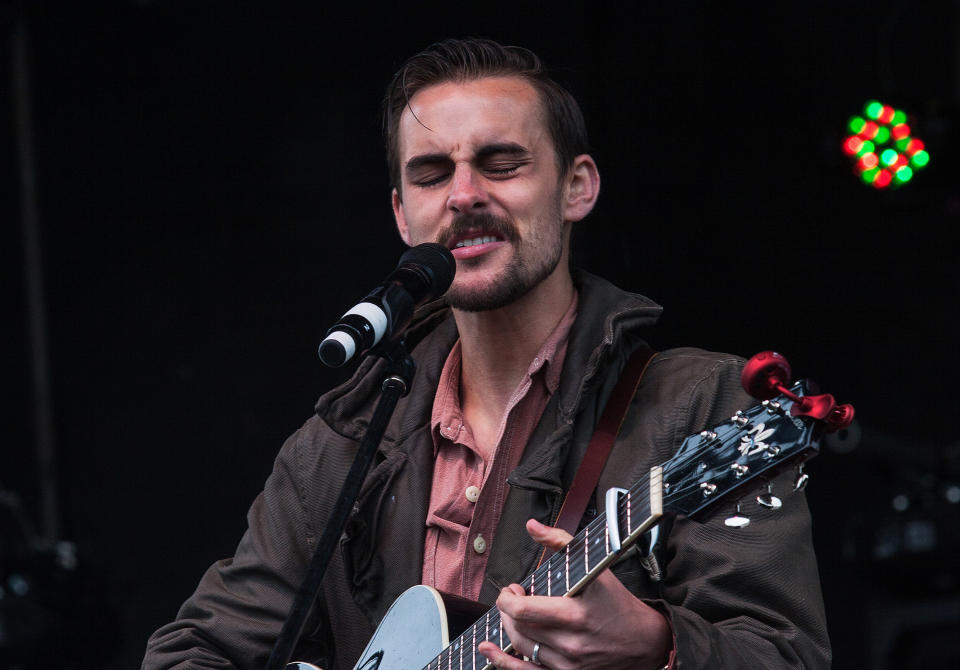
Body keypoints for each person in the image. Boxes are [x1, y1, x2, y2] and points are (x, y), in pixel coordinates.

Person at [142, 38, 830, 670]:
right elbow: (196, 651)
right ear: (402, 215)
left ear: (577, 187)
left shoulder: (701, 405)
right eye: (433, 173)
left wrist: (657, 648)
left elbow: (784, 655)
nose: (465, 195)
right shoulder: (341, 446)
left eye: (501, 163)